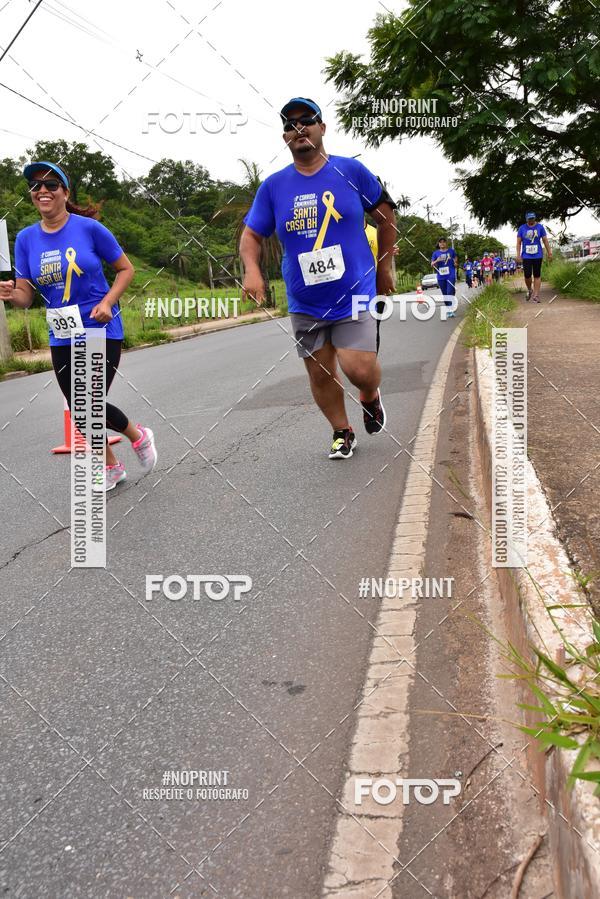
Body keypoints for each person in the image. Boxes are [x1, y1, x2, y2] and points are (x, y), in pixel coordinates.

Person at [240, 97, 397, 460]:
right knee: (321, 372)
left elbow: (386, 218)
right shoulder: (273, 187)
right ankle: (342, 431)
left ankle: (370, 396)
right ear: (285, 137)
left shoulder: (350, 171)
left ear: (322, 128)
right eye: (291, 124)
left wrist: (385, 268)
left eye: (307, 120)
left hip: (354, 289)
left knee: (357, 367)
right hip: (304, 299)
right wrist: (252, 270)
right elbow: (251, 235)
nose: (299, 128)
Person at [0, 161, 157, 490]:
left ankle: (137, 435)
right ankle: (113, 467)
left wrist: (108, 302)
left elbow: (126, 269)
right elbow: (27, 297)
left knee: (90, 402)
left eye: (51, 184)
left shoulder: (88, 229)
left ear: (64, 192)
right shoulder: (26, 239)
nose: (42, 190)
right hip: (61, 333)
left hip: (99, 325)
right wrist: (10, 294)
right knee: (79, 407)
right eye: (35, 186)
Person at [516, 211, 552, 303]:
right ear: (526, 219)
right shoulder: (522, 228)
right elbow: (519, 242)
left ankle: (536, 295)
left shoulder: (540, 227)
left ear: (535, 218)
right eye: (529, 219)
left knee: (537, 274)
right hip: (526, 255)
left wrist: (549, 253)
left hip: (537, 255)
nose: (531, 220)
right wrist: (518, 255)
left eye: (532, 218)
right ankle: (529, 289)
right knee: (527, 275)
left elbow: (545, 240)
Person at [430, 237, 458, 316]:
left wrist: (455, 263)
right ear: (438, 244)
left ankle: (450, 310)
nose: (442, 243)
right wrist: (437, 260)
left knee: (449, 292)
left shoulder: (451, 251)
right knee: (445, 294)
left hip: (450, 274)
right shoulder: (435, 253)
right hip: (441, 276)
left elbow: (455, 258)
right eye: (440, 242)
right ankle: (449, 306)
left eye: (444, 242)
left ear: (446, 243)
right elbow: (432, 264)